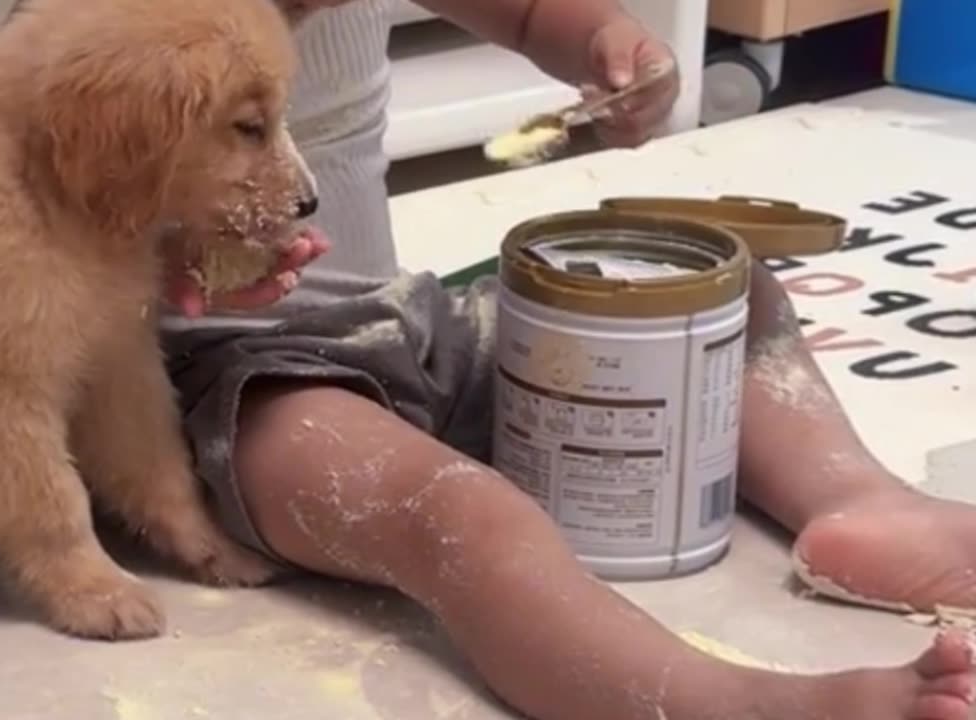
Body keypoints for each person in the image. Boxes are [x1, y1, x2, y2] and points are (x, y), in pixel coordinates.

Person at [161, 1, 976, 718]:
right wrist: (167, 264)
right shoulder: (107, 35)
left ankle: (857, 499)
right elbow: (40, 223)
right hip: (238, 383)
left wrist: (609, 43)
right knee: (459, 514)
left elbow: (528, 12)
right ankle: (724, 703)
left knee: (720, 300)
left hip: (400, 321)